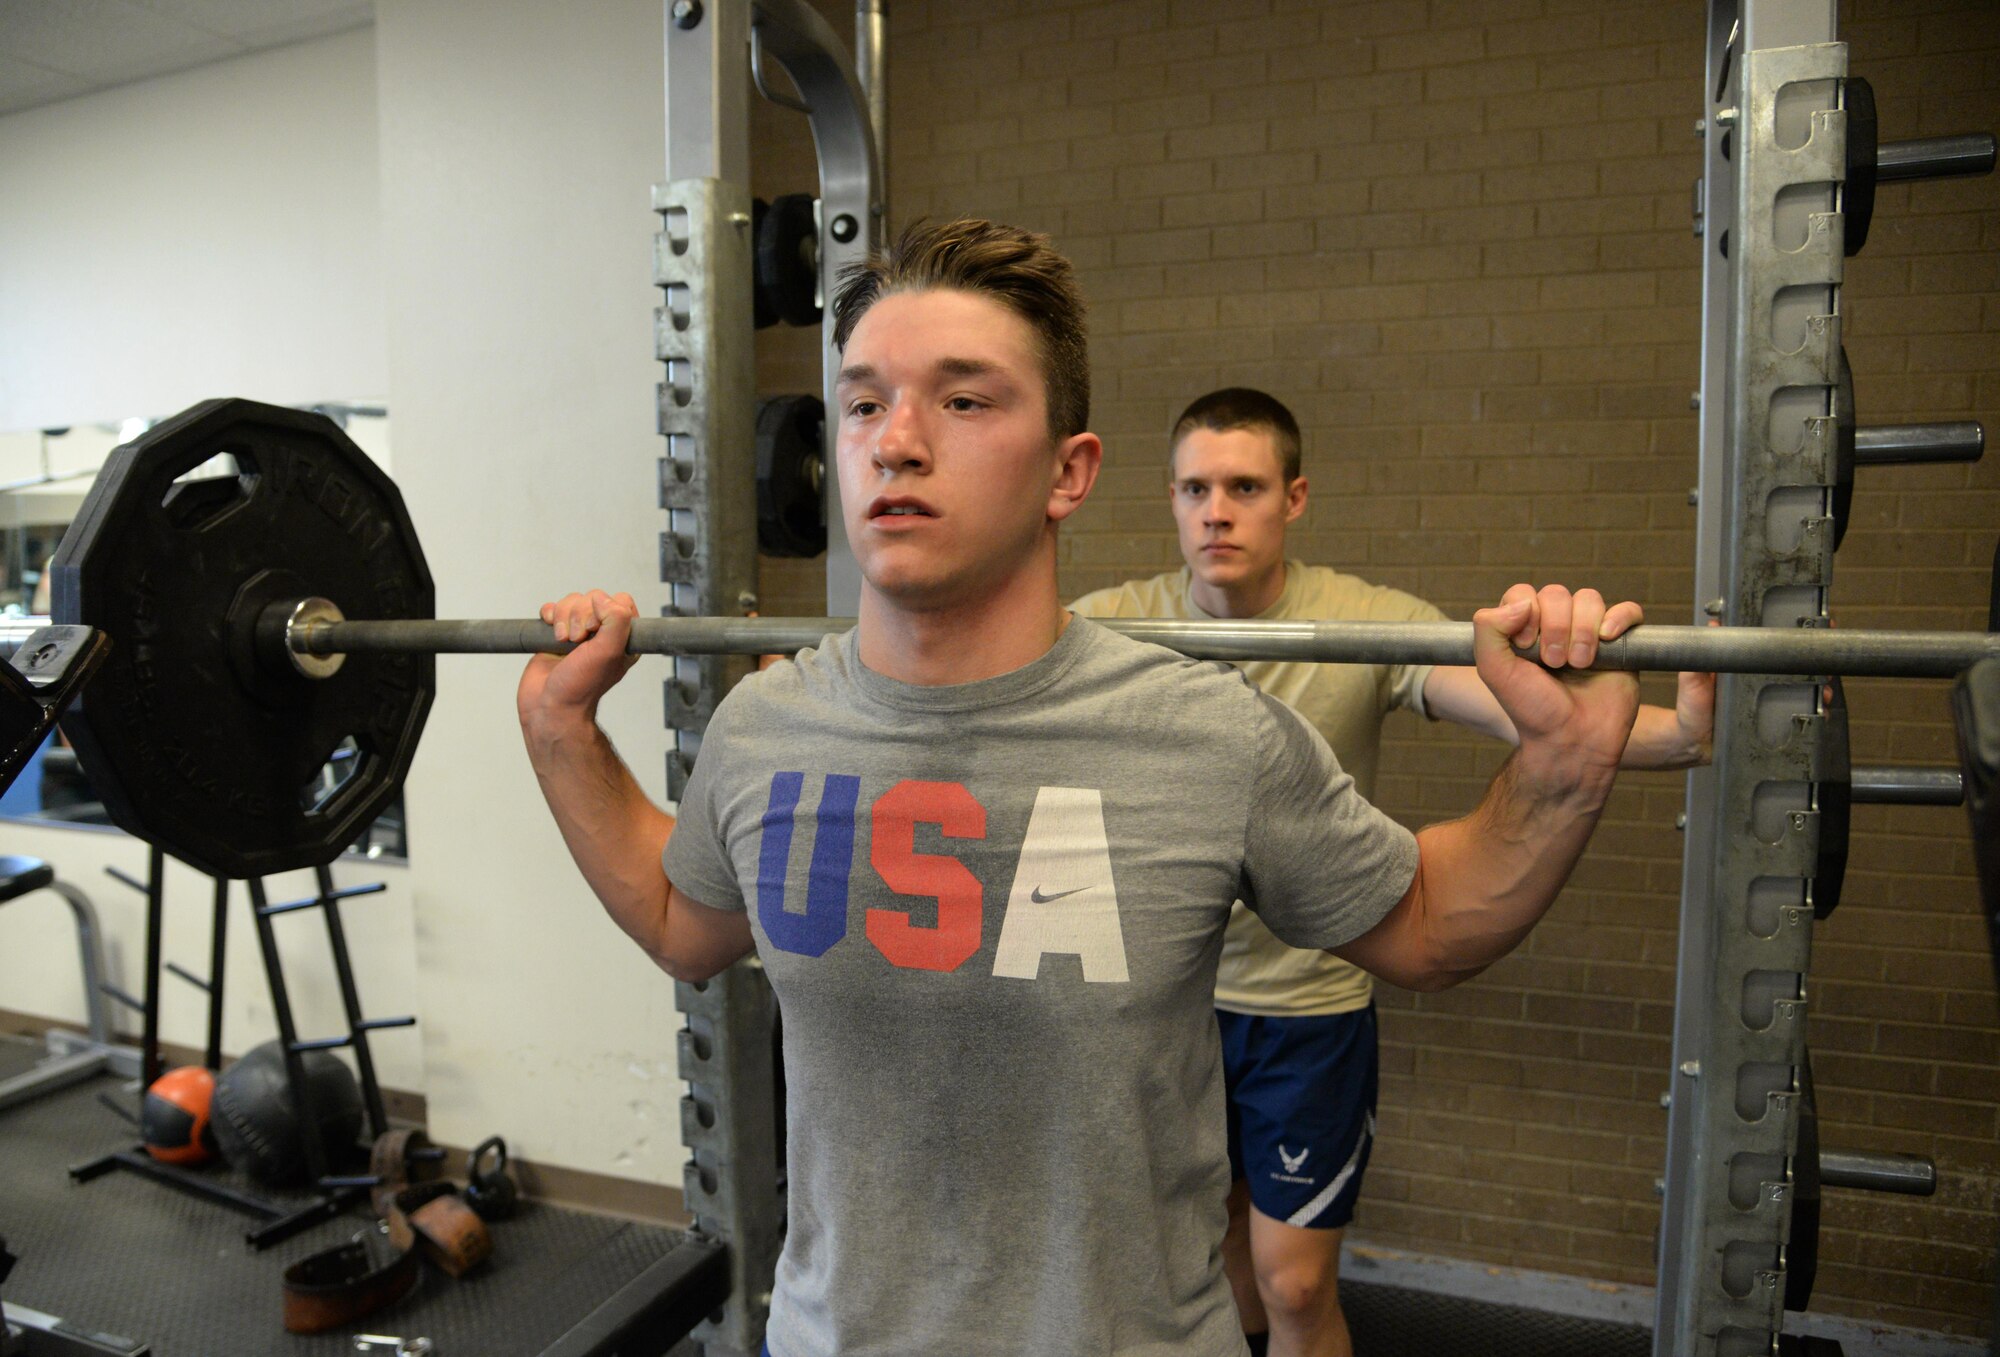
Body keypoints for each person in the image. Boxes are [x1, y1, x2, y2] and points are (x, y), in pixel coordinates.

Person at [518, 219, 1652, 1357]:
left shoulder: (1206, 733)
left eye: (964, 401)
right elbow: (681, 922)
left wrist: (1558, 772)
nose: (895, 441)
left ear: (1070, 472)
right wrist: (559, 726)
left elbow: (1425, 925)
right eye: (863, 403)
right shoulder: (764, 728)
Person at [1072, 389, 1714, 1357]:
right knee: (1200, 1270)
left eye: (1242, 485)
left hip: (1303, 1011)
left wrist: (1683, 736)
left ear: (1292, 498)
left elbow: (1532, 718)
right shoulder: (1107, 627)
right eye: (1195, 487)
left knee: (1292, 1284)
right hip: (1161, 1006)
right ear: (1168, 498)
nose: (1216, 510)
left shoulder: (1364, 619)